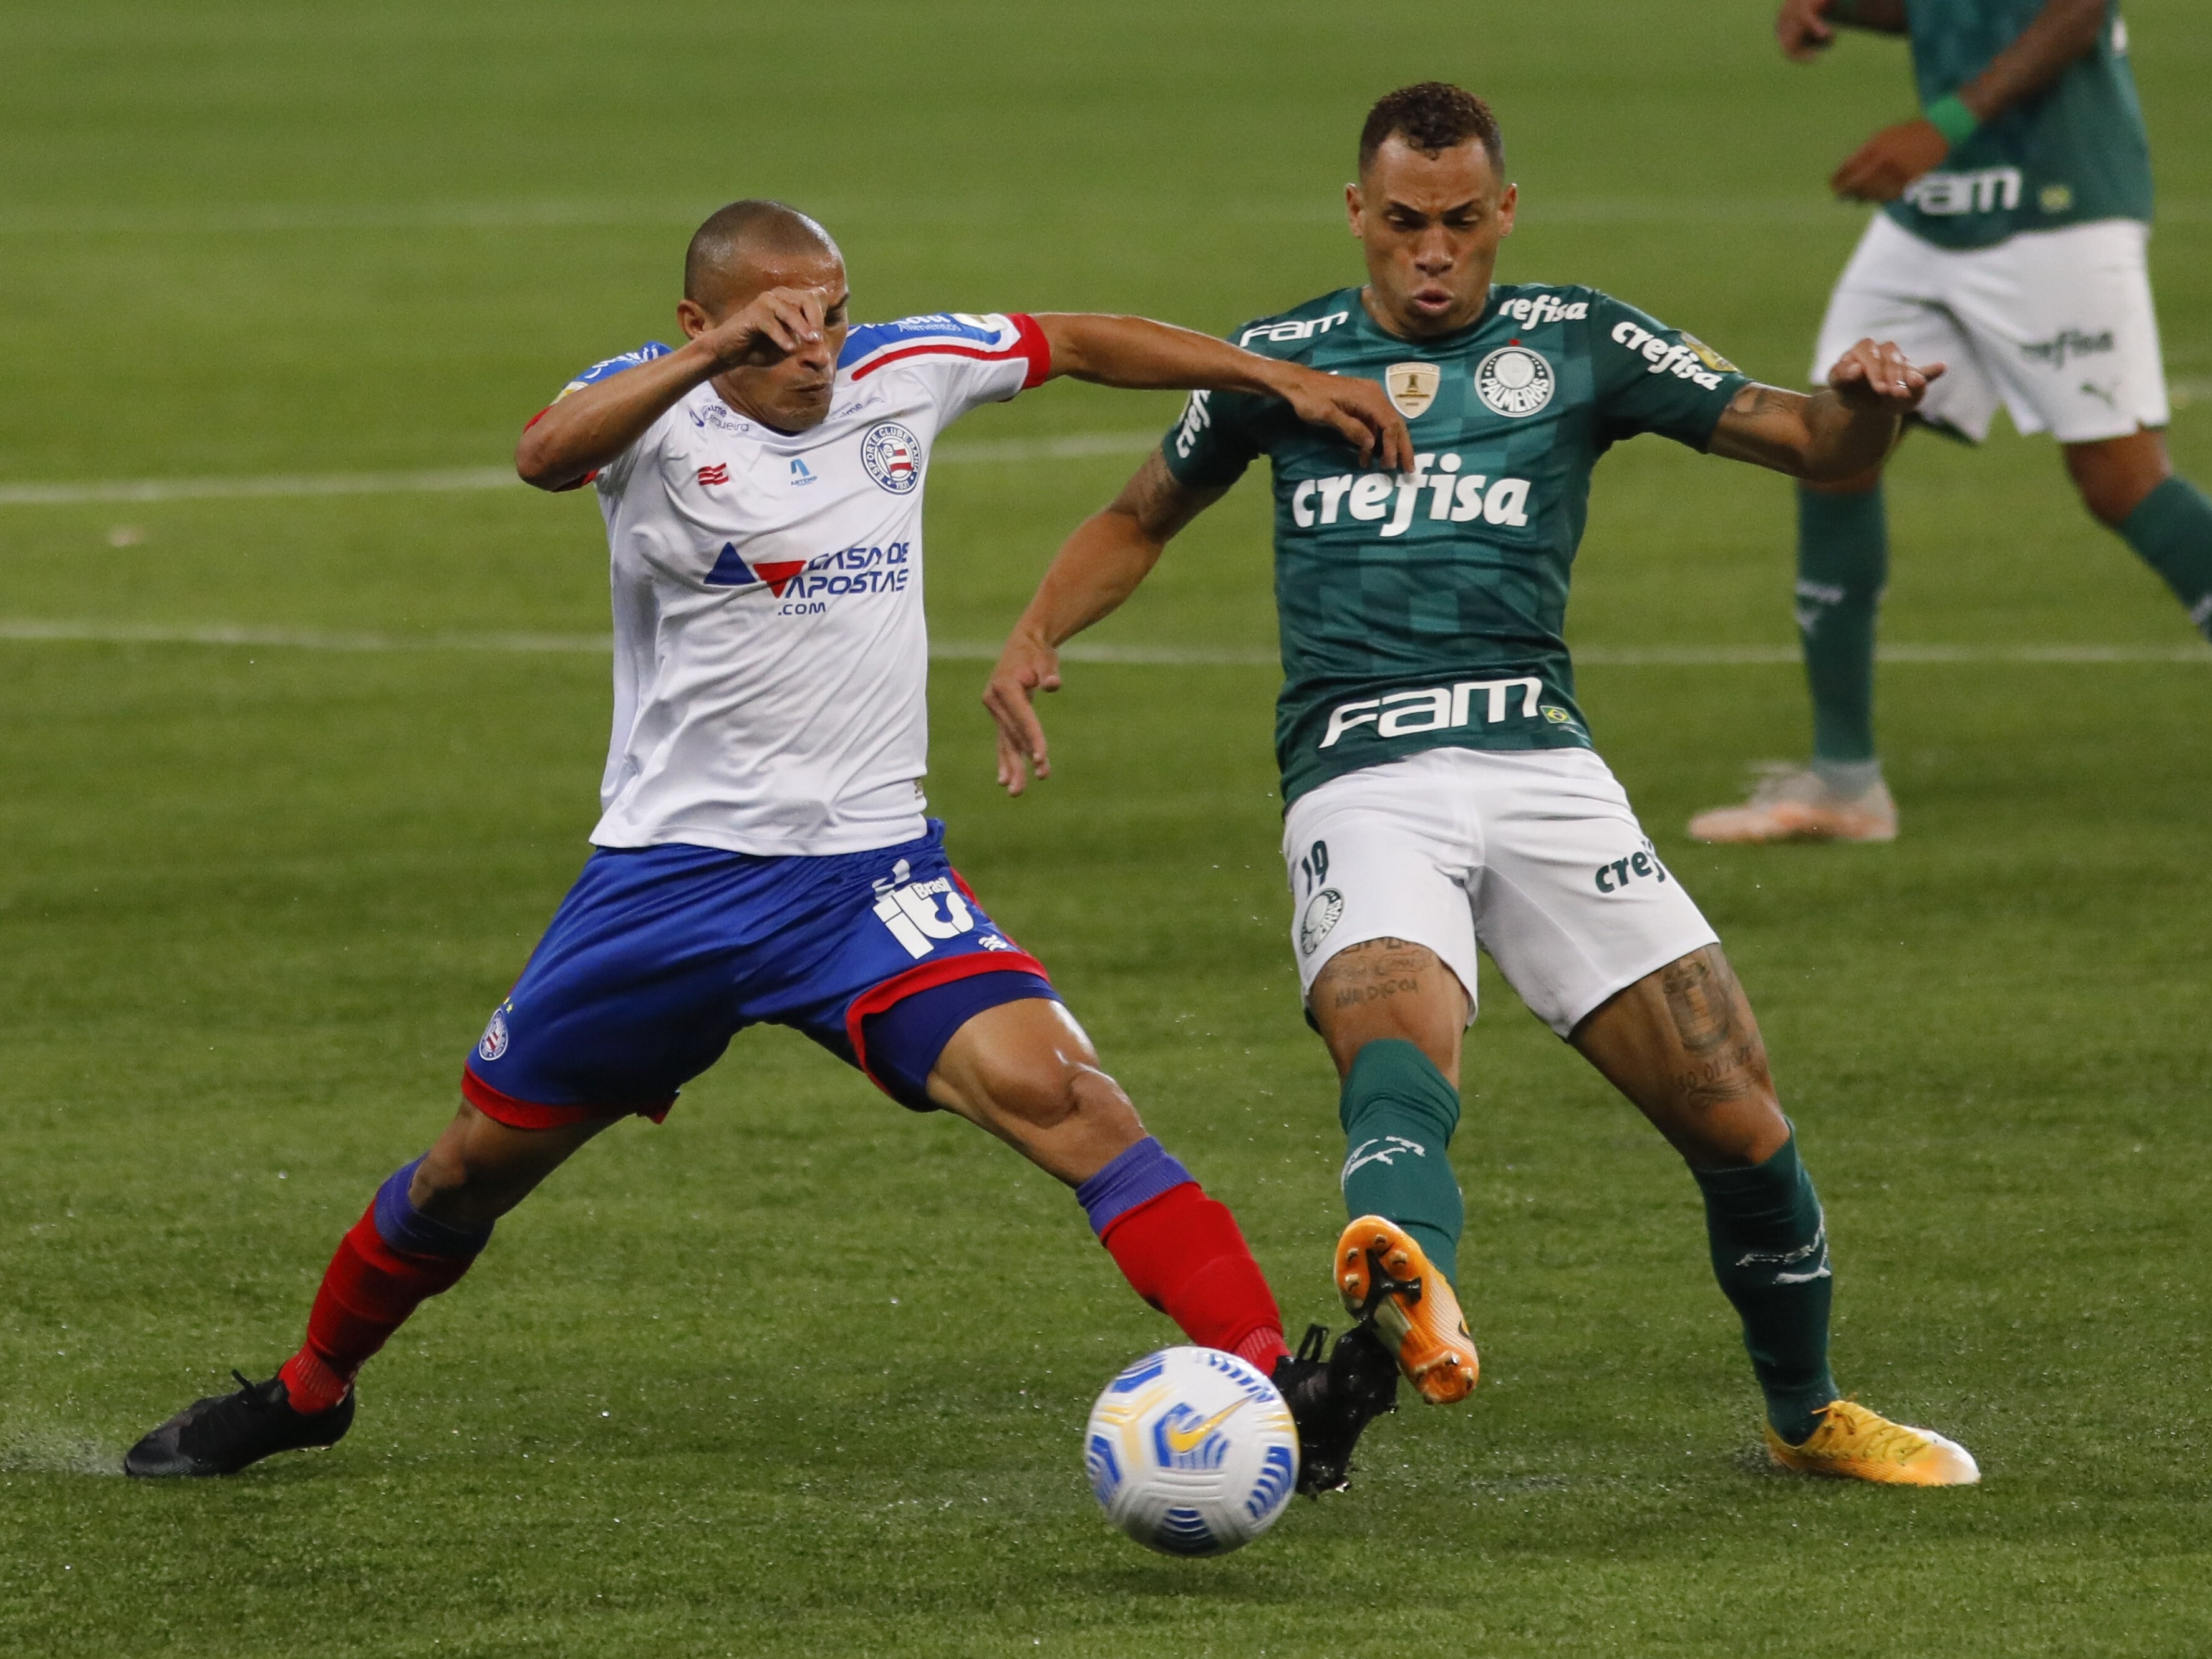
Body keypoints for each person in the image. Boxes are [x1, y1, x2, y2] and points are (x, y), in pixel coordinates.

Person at [124, 200, 1419, 1492]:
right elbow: (539, 453)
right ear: (702, 321)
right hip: (665, 886)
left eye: (831, 314)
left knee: (1071, 1101)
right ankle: (307, 1392)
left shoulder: (901, 374)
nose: (816, 347)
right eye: (779, 323)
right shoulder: (648, 413)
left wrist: (1274, 376)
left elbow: (1077, 338)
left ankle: (1276, 1385)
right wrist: (706, 360)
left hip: (868, 877)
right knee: (467, 1170)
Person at [986, 84, 1980, 1483]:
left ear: (1502, 213)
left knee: (1740, 1120)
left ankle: (1806, 1413)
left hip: (1543, 768)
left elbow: (1811, 442)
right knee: (1397, 1042)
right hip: (1359, 773)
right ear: (1358, 215)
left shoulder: (1580, 340)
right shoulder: (1280, 364)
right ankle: (1412, 1287)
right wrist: (1034, 631)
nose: (1433, 251)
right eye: (1403, 224)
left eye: (1460, 223)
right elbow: (1139, 513)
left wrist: (1865, 407)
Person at [1691, 0, 2205, 843]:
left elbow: (2076, 11)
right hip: (1938, 211)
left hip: (2057, 199)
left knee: (2122, 480)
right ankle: (1845, 784)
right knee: (1831, 444)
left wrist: (1944, 124)